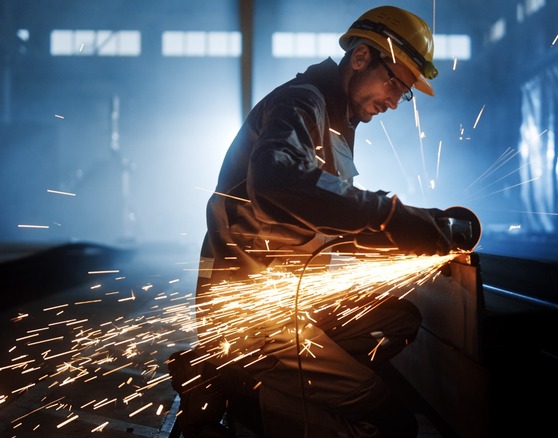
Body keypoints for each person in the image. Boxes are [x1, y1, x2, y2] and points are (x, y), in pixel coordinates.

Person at [169, 5, 451, 437]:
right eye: (395, 82)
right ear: (361, 58)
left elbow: (323, 214)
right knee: (391, 422)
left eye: (406, 92)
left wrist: (407, 234)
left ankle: (250, 382)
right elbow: (277, 180)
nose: (396, 102)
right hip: (256, 314)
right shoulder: (301, 103)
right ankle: (239, 387)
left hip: (293, 296)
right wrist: (389, 215)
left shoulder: (338, 118)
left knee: (399, 322)